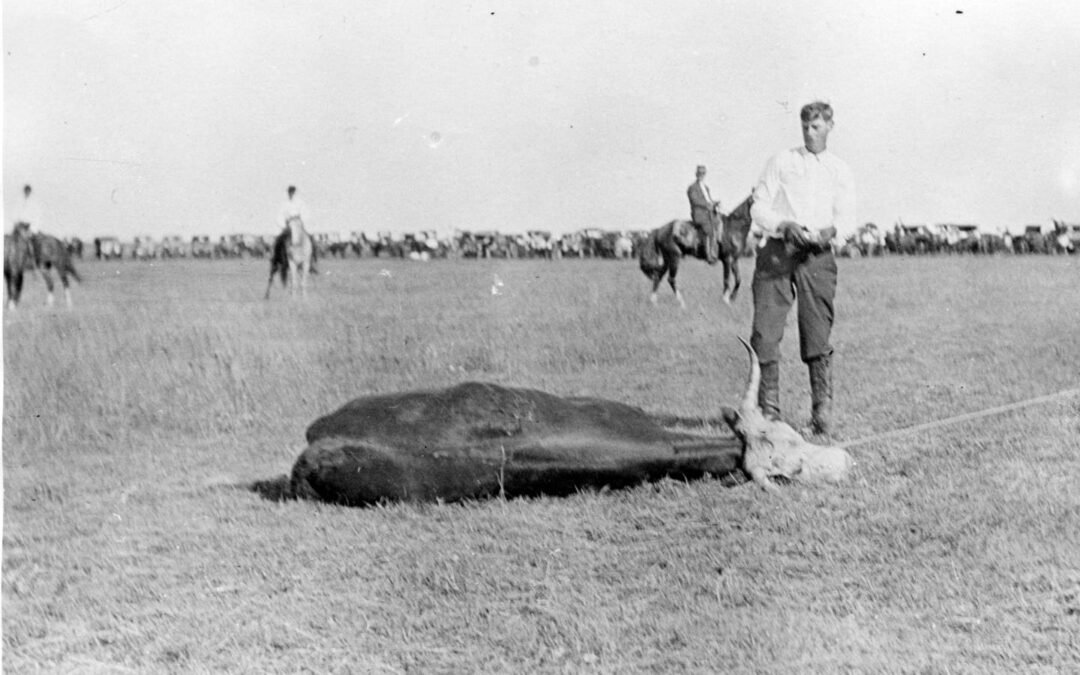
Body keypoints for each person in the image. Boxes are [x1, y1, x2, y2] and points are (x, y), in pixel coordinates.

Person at [748, 101, 855, 436]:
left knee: (817, 331)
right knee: (765, 330)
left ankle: (821, 413)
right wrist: (783, 224)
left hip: (818, 256)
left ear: (830, 126)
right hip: (778, 252)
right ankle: (769, 413)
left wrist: (831, 231)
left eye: (817, 127)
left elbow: (847, 218)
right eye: (806, 126)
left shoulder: (840, 169)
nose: (810, 132)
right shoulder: (782, 160)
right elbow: (759, 206)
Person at [687, 165, 719, 264]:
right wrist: (707, 205)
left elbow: (708, 199)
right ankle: (708, 254)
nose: (701, 175)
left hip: (708, 213)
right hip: (699, 214)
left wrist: (714, 203)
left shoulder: (706, 187)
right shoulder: (692, 188)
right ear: (696, 174)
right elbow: (695, 200)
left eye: (703, 173)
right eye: (700, 173)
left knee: (720, 224)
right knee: (708, 229)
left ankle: (718, 250)